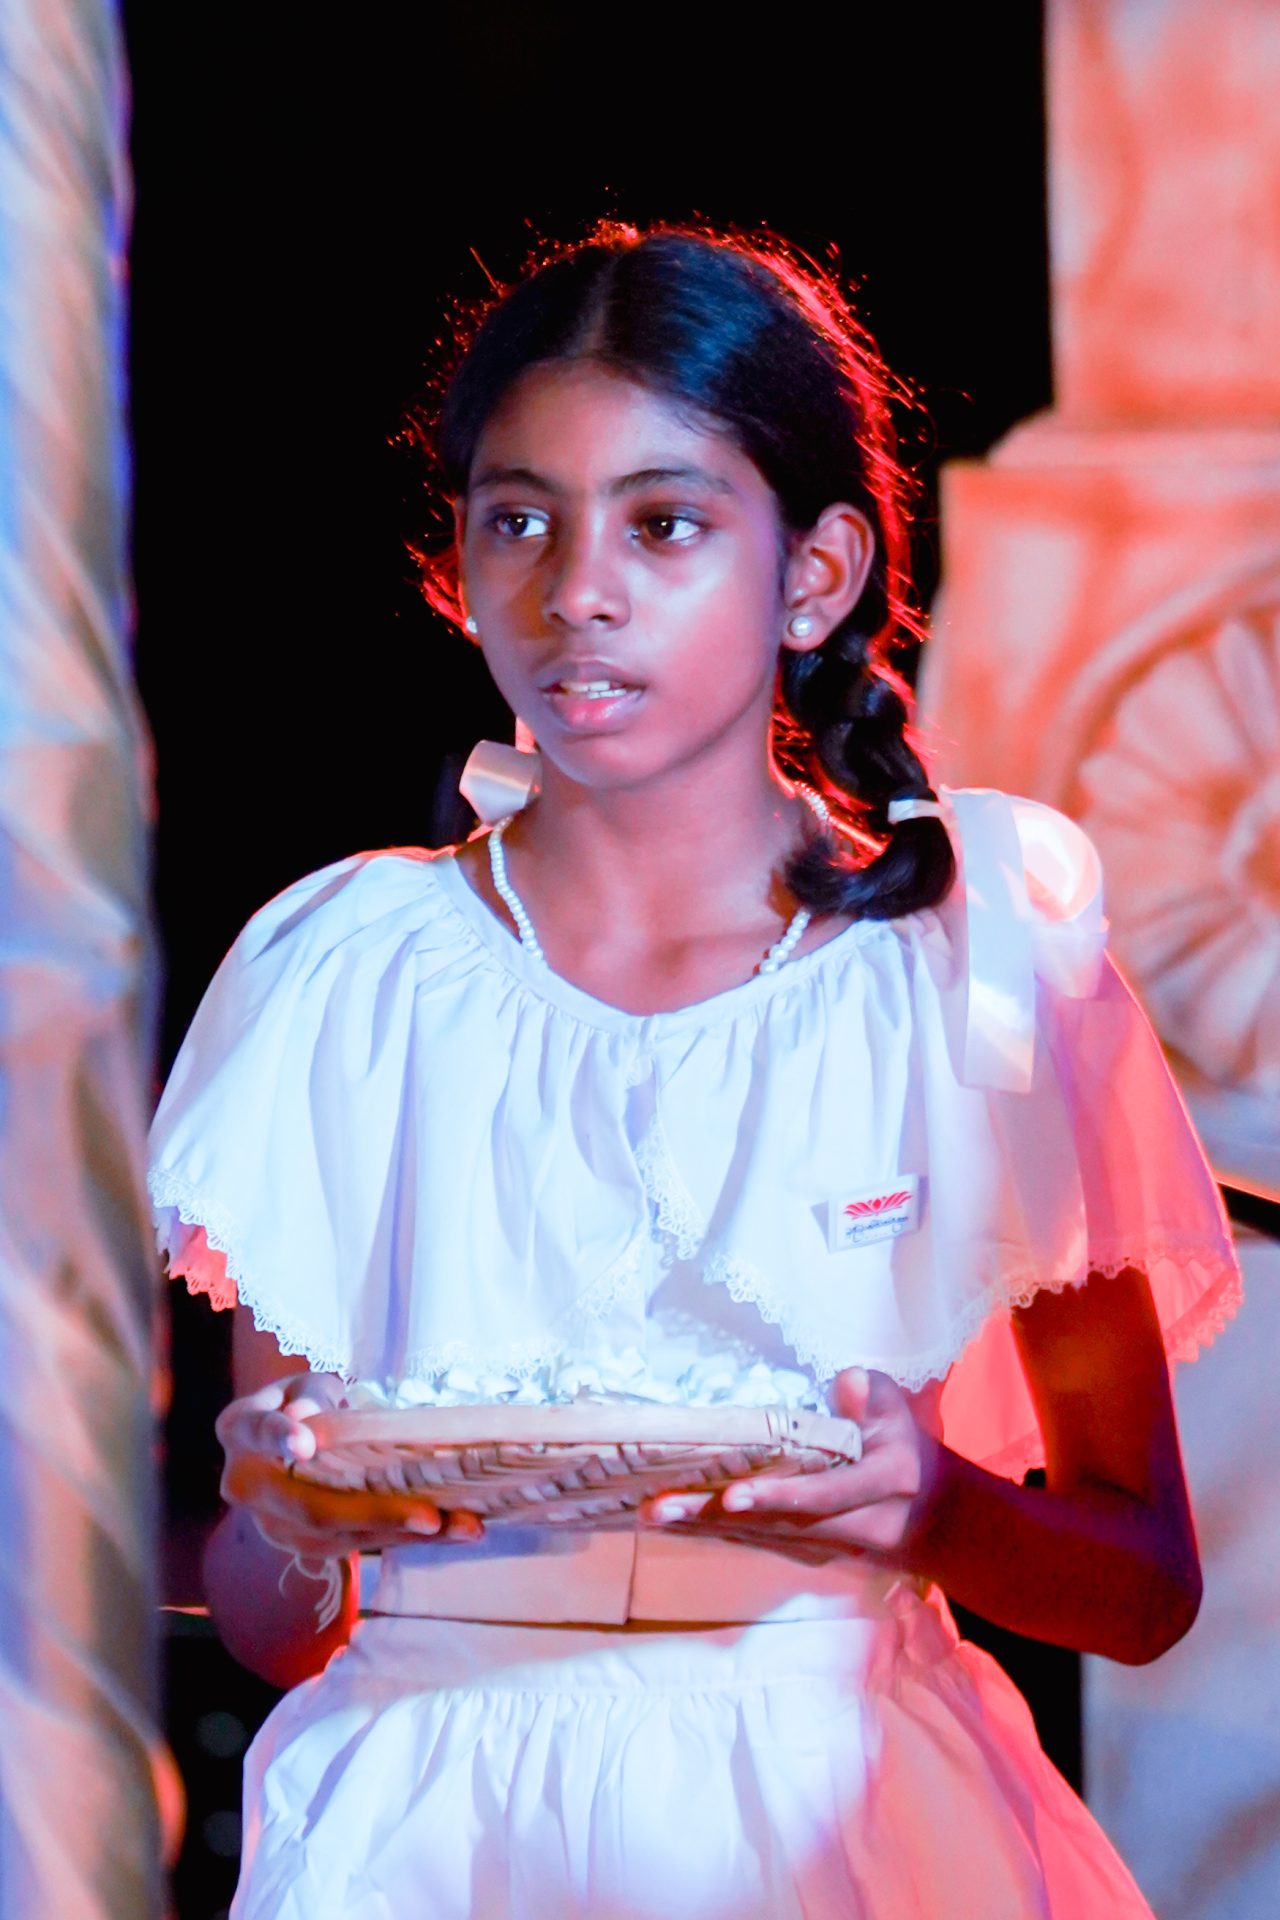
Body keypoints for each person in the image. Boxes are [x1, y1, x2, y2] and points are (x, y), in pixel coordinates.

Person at [149, 220, 1243, 1918]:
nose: (577, 588)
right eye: (522, 519)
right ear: (457, 562)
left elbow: (1143, 1582)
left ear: (814, 573)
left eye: (664, 525)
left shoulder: (976, 966)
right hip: (431, 1828)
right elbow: (286, 1626)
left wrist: (928, 1508)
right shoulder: (345, 977)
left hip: (852, 1819)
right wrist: (287, 1515)